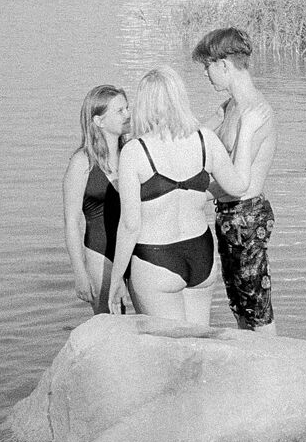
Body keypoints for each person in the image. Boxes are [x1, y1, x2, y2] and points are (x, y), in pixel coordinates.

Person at [106, 66, 256, 324]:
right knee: (198, 343)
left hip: (155, 257)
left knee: (166, 345)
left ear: (144, 104)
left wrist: (116, 278)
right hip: (201, 254)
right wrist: (247, 133)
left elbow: (130, 225)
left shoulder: (135, 151)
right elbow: (239, 186)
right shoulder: (205, 139)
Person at [194, 27, 279, 334]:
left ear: (224, 65)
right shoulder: (231, 107)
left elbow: (234, 179)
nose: (205, 74)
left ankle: (275, 360)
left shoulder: (256, 112)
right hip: (229, 215)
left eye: (207, 66)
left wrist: (191, 195)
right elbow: (200, 147)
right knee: (239, 304)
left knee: (257, 308)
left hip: (247, 215)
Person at [62, 85, 130, 314]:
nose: (128, 115)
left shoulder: (133, 152)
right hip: (101, 253)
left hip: (137, 247)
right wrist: (79, 273)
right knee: (110, 323)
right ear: (99, 121)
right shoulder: (82, 162)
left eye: (127, 108)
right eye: (120, 111)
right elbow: (72, 223)